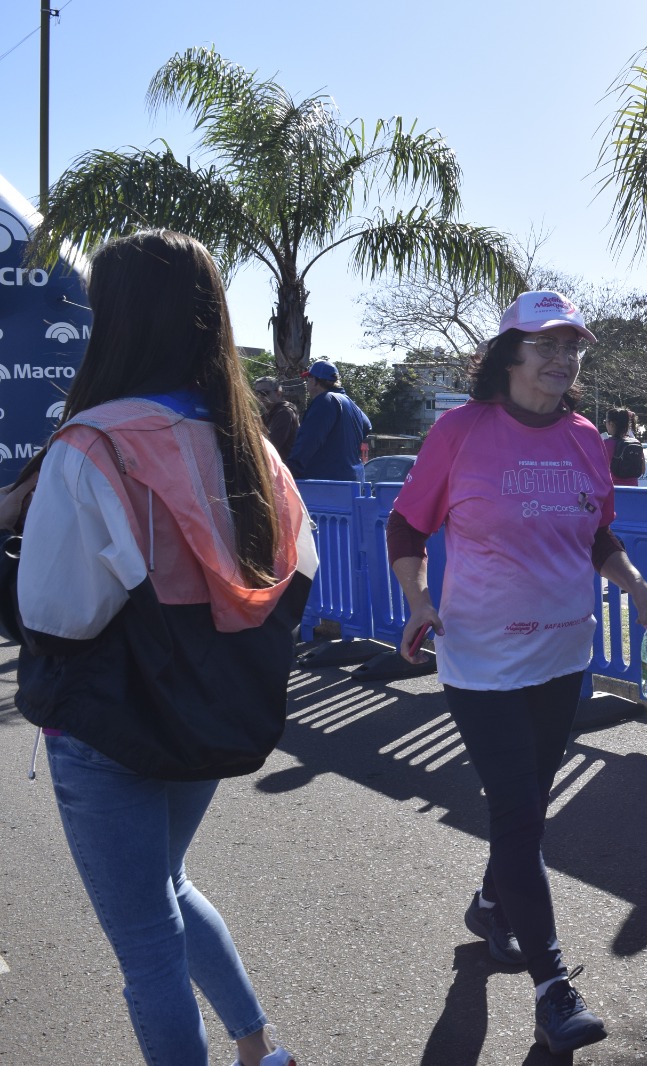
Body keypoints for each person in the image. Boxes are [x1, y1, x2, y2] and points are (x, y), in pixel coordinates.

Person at [11, 230, 313, 1066]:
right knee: (169, 887)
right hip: (211, 711)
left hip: (110, 728)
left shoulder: (92, 443)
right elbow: (298, 572)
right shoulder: (254, 446)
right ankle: (261, 1047)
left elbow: (56, 617)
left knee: (146, 943)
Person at [385, 290, 647, 1055]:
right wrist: (417, 597)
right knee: (521, 818)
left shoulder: (586, 438)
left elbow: (598, 536)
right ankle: (553, 987)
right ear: (510, 354)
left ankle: (491, 904)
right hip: (481, 660)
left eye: (572, 346)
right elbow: (407, 523)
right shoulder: (460, 431)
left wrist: (640, 589)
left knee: (526, 809)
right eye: (546, 344)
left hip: (562, 657)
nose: (562, 358)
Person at [286, 359, 371, 481]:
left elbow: (309, 440)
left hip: (326, 482)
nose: (307, 383)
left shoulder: (325, 401)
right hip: (354, 479)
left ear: (315, 381)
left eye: (308, 378)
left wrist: (291, 470)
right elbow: (367, 426)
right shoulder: (349, 402)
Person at [253, 376, 300, 458]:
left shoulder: (284, 413)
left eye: (264, 393)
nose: (260, 396)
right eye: (257, 393)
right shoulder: (268, 414)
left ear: (278, 393)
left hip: (285, 468)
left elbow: (271, 446)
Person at [603, 407, 646, 485]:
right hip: (632, 490)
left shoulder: (605, 444)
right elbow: (642, 470)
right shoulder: (636, 443)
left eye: (605, 421)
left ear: (611, 424)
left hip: (613, 490)